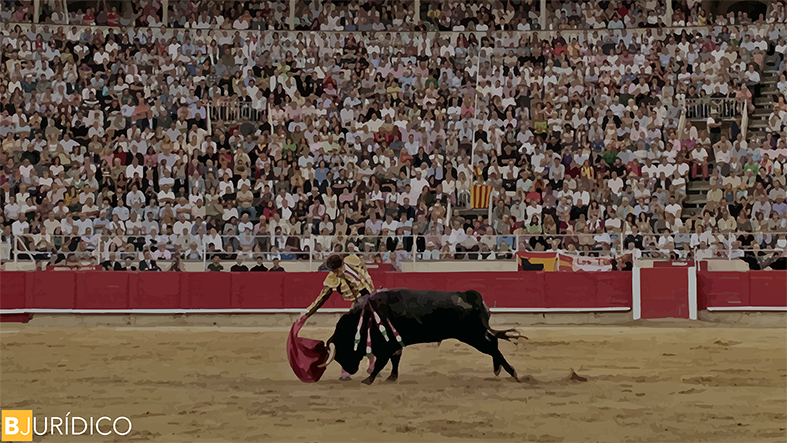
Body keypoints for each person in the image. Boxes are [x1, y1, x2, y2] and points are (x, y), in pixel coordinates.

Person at [303, 253, 383, 381]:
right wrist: (307, 312)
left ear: (341, 263)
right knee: (349, 337)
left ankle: (372, 367)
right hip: (358, 306)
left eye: (338, 268)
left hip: (372, 302)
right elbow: (322, 297)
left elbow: (366, 279)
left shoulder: (354, 260)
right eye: (335, 270)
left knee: (375, 333)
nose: (337, 272)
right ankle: (346, 370)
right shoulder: (333, 277)